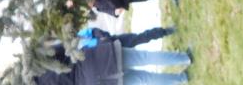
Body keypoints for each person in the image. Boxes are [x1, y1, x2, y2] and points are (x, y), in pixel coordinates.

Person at [34, 41, 190, 85]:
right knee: (144, 57)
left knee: (143, 79)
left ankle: (181, 78)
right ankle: (184, 58)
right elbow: (65, 48)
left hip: (95, 83)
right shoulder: (36, 61)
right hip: (93, 61)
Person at [77, 25, 176, 49]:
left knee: (140, 38)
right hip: (109, 65)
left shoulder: (71, 39)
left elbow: (92, 31)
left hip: (114, 42)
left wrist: (104, 38)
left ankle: (164, 32)